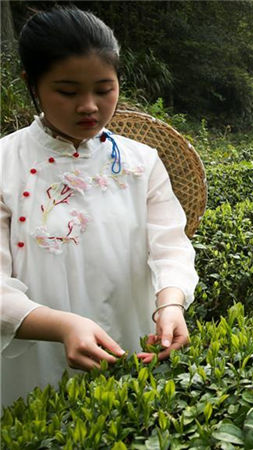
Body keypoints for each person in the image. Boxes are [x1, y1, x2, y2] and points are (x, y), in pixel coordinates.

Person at [0, 7, 198, 405]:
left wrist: (171, 303)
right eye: (68, 92)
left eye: (104, 89)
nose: (88, 106)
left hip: (132, 337)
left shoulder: (141, 161)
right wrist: (61, 326)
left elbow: (170, 246)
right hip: (37, 348)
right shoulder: (6, 164)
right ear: (32, 85)